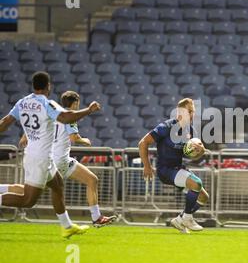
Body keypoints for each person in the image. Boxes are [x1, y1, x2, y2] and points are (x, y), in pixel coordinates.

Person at [0, 71, 101, 238]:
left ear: (34, 86)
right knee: (28, 200)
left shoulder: (22, 102)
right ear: (48, 86)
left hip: (37, 156)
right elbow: (66, 117)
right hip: (40, 158)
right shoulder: (47, 104)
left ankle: (67, 226)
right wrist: (89, 110)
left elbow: (4, 123)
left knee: (58, 186)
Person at [17, 90, 117, 227]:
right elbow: (74, 138)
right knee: (28, 196)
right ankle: (95, 217)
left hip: (53, 159)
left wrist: (25, 138)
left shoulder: (52, 114)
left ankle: (96, 218)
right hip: (59, 162)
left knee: (92, 179)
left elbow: (31, 132)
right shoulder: (70, 117)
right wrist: (85, 140)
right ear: (75, 103)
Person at [138, 98, 208, 233]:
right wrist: (146, 166)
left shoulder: (191, 132)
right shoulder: (166, 127)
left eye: (193, 111)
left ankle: (180, 220)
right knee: (197, 183)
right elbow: (143, 143)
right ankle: (186, 218)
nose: (193, 114)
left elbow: (191, 155)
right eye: (190, 111)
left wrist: (200, 151)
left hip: (178, 169)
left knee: (204, 197)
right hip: (165, 171)